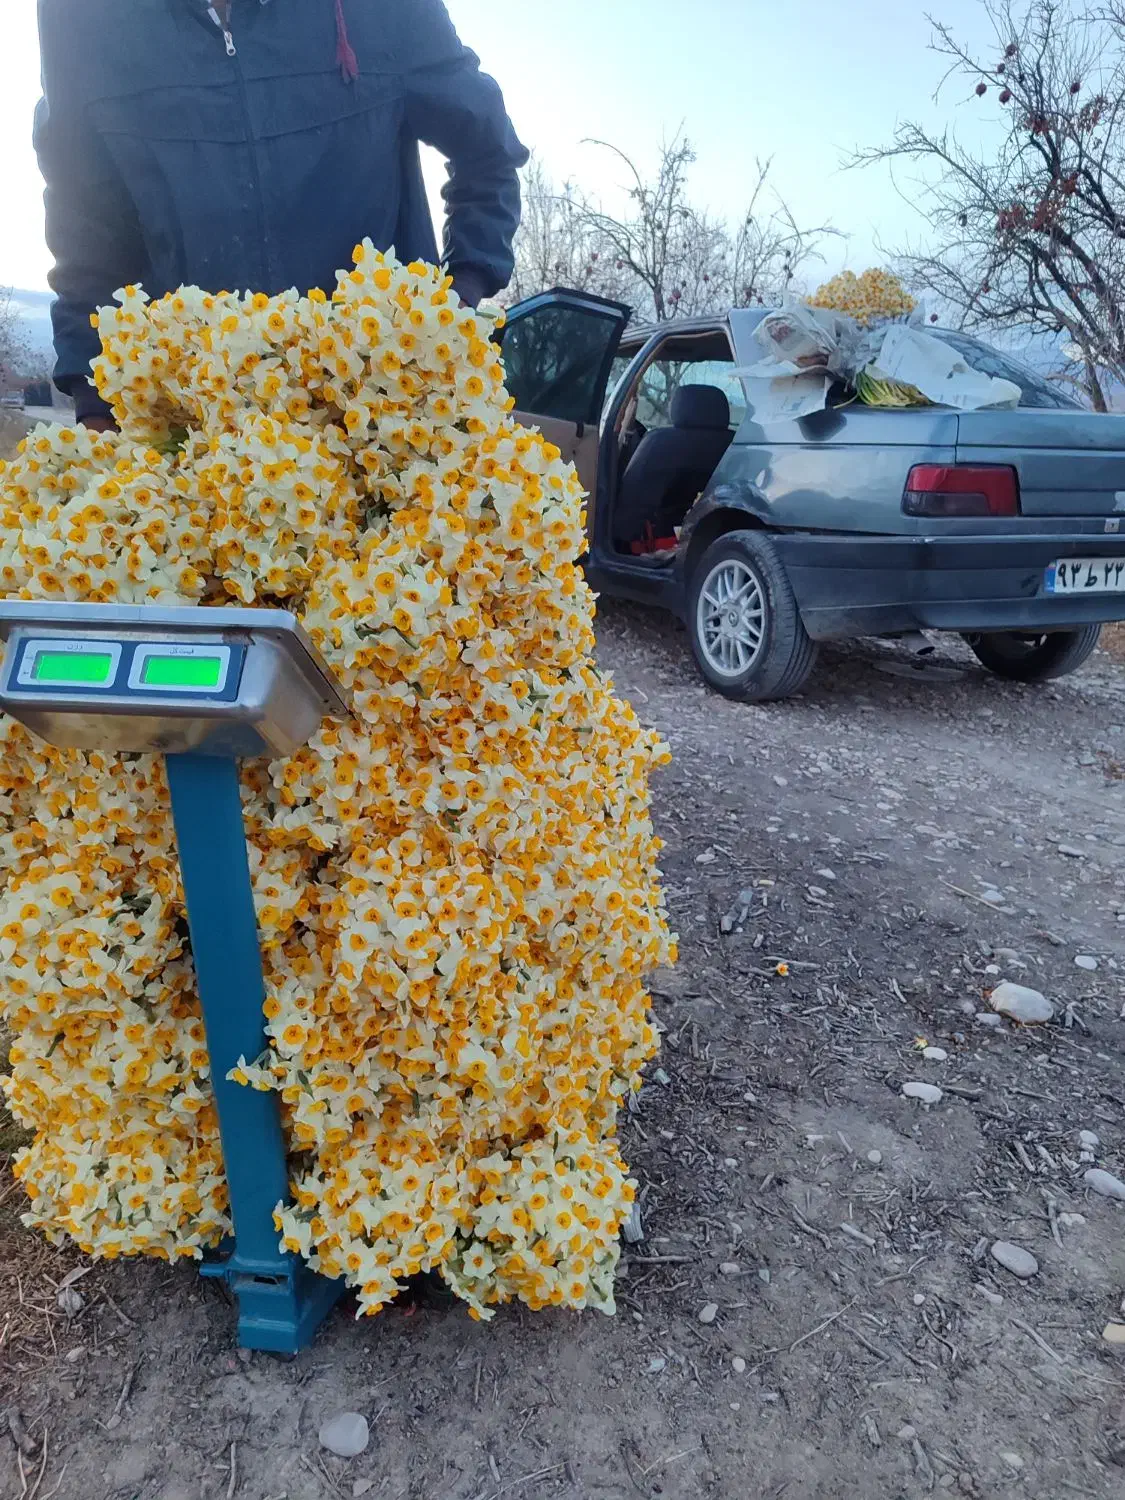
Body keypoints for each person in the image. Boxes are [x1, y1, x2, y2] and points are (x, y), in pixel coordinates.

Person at [34, 0, 529, 429]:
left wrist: (459, 298)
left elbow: (487, 150)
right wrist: (94, 402)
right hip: (191, 447)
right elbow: (85, 226)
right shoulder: (81, 17)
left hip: (386, 427)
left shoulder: (384, 10)